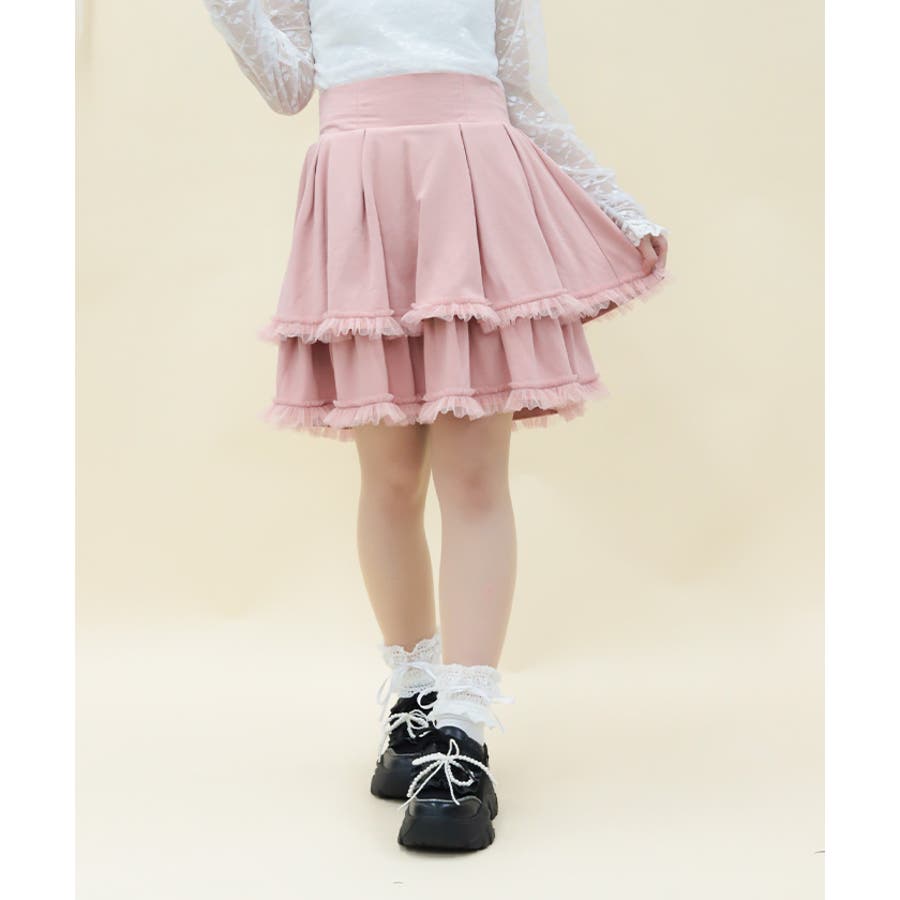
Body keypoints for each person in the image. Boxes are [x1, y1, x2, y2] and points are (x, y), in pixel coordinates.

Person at [201, 0, 669, 852]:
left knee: (474, 476)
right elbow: (288, 85)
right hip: (358, 200)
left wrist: (615, 205)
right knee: (387, 479)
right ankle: (415, 706)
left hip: (475, 195)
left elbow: (525, 95)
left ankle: (464, 738)